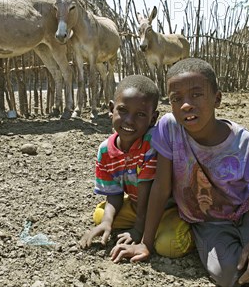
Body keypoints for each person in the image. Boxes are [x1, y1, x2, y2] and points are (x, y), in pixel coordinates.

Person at [110, 58, 249, 287]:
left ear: (217, 99)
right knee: (231, 276)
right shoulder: (169, 128)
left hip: (245, 210)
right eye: (176, 98)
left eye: (196, 94)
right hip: (206, 222)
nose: (186, 105)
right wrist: (146, 243)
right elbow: (161, 187)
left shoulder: (244, 144)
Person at [79, 74, 193, 259]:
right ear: (111, 109)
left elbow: (148, 187)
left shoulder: (153, 141)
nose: (129, 121)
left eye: (140, 114)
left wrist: (138, 230)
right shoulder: (105, 151)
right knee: (101, 216)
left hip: (167, 208)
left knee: (170, 246)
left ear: (153, 118)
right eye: (123, 110)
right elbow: (114, 194)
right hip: (136, 205)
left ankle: (181, 230)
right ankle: (145, 229)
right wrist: (107, 222)